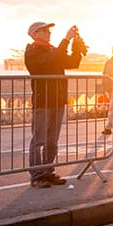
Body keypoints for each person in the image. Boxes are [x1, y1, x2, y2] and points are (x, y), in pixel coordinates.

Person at [24, 22, 83, 188]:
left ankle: (48, 172)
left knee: (52, 141)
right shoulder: (32, 52)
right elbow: (51, 61)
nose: (48, 33)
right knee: (39, 140)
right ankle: (36, 176)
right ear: (34, 34)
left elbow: (72, 63)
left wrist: (76, 46)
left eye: (49, 30)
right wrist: (66, 40)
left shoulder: (52, 50)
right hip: (43, 101)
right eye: (44, 30)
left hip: (57, 100)